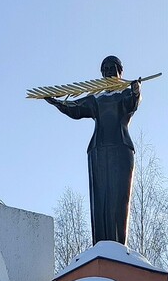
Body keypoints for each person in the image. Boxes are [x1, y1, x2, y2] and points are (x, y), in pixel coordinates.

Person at [44, 55, 140, 245]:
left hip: (121, 149)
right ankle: (101, 245)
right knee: (100, 199)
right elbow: (75, 108)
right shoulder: (97, 98)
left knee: (119, 198)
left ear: (120, 71)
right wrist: (57, 102)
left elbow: (132, 103)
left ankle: (118, 247)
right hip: (98, 150)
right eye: (105, 69)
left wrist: (136, 92)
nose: (108, 72)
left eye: (112, 68)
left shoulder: (124, 94)